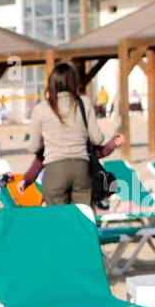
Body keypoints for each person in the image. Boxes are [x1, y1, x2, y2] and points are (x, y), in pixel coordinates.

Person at [25, 63, 123, 206]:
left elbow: (33, 147)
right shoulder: (85, 103)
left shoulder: (41, 109)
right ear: (73, 82)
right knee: (83, 216)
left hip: (55, 170)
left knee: (58, 219)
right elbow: (97, 139)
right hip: (81, 169)